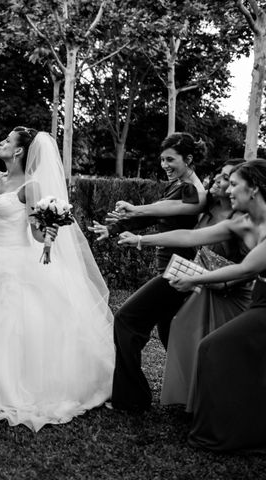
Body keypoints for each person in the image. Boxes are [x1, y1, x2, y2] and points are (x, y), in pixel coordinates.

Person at [0, 129, 114, 431]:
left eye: (7, 140)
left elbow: (36, 234)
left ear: (18, 152)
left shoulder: (32, 186)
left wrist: (50, 227)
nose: (1, 142)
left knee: (12, 323)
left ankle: (9, 382)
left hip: (17, 262)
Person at [117, 159, 254, 408]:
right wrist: (138, 235)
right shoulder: (208, 204)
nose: (220, 183)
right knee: (156, 324)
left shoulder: (247, 220)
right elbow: (177, 221)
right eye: (222, 177)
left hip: (223, 290)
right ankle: (144, 396)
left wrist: (203, 280)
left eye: (231, 181)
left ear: (251, 187)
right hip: (187, 276)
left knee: (211, 348)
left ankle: (211, 404)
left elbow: (247, 269)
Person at [88, 132, 207, 412]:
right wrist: (114, 228)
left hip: (178, 269)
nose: (165, 165)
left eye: (171, 159)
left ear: (188, 159)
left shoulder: (192, 189)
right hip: (169, 267)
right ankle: (200, 394)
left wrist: (135, 210)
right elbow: (157, 215)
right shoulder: (177, 184)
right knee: (170, 336)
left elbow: (174, 208)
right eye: (162, 159)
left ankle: (132, 399)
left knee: (127, 319)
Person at [168, 159, 266, 454]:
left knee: (213, 347)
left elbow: (245, 269)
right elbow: (190, 236)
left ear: (256, 188)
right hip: (260, 300)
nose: (228, 188)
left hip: (262, 305)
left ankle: (218, 433)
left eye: (235, 184)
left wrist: (194, 280)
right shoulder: (245, 220)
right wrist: (138, 240)